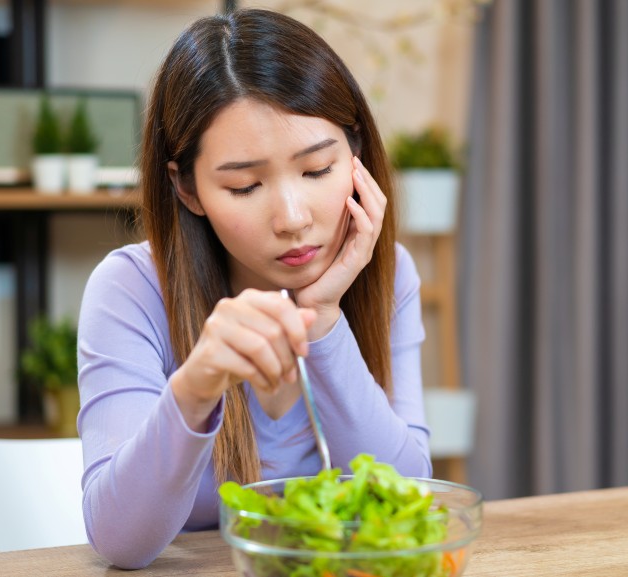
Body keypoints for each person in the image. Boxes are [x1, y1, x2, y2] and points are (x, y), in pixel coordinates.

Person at [76, 8, 431, 569]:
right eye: (244, 186)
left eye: (317, 171)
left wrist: (324, 320)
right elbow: (121, 542)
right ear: (187, 188)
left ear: (356, 157)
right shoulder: (131, 290)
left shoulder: (390, 276)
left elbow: (408, 501)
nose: (292, 218)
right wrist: (196, 387)